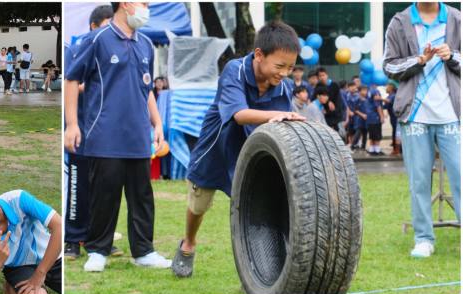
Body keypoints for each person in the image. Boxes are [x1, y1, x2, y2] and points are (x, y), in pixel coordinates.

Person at [171, 21, 303, 279]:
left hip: (251, 154)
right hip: (216, 150)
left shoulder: (285, 87)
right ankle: (188, 244)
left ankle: (258, 270)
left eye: (290, 67)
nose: (285, 73)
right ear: (259, 55)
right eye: (279, 66)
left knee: (256, 210)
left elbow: (283, 126)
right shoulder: (235, 70)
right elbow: (239, 115)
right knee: (198, 205)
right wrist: (279, 114)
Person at [65, 2, 170, 273]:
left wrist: (157, 123)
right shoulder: (96, 39)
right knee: (104, 195)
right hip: (104, 134)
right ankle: (98, 250)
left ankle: (144, 251)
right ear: (125, 3)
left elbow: (146, 88)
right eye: (143, 2)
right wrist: (73, 124)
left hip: (137, 137)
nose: (147, 8)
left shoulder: (145, 43)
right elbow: (71, 80)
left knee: (142, 196)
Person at [383, 1, 460, 259]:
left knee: (460, 177)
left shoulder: (456, 19)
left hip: (452, 114)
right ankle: (424, 238)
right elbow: (389, 66)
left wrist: (453, 56)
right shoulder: (400, 21)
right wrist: (419, 60)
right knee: (419, 180)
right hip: (414, 114)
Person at [63, 4, 115, 261]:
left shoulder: (118, 50)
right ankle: (72, 240)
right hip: (80, 131)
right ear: (93, 27)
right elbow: (74, 83)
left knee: (103, 189)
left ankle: (99, 240)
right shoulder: (80, 47)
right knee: (77, 186)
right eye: (107, 27)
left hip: (105, 135)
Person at [315, 67, 345, 134]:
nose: (322, 77)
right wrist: (328, 102)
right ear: (318, 77)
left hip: (336, 114)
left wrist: (334, 108)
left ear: (327, 75)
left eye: (323, 75)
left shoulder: (334, 85)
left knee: (339, 134)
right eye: (320, 76)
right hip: (325, 115)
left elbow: (338, 100)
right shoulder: (318, 86)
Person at [382, 82, 401, 155]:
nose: (386, 88)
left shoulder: (393, 95)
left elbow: (388, 101)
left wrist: (379, 98)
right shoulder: (388, 96)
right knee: (395, 133)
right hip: (392, 118)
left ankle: (397, 150)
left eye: (387, 86)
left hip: (396, 118)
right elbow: (385, 106)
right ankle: (396, 149)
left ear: (391, 88)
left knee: (396, 133)